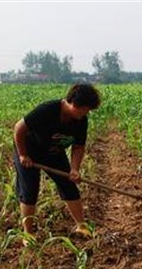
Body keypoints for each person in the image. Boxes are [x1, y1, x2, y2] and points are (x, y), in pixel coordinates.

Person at [13, 83, 101, 239]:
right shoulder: (48, 110)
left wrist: (74, 169)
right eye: (84, 109)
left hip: (54, 152)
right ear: (73, 103)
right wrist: (22, 155)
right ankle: (28, 234)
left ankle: (81, 226)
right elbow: (19, 128)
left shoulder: (81, 121)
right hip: (29, 152)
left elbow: (78, 146)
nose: (85, 113)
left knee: (69, 185)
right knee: (30, 191)